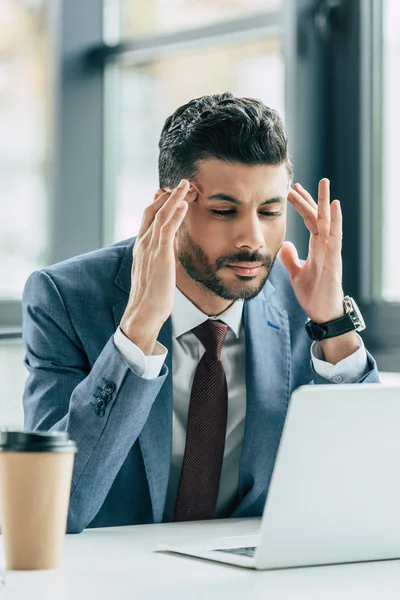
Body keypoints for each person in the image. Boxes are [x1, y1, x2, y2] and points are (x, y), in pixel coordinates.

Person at [22, 92, 379, 534]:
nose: (253, 239)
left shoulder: (304, 302)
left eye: (270, 211)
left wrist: (333, 326)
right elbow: (52, 508)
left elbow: (367, 493)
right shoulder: (65, 298)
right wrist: (137, 332)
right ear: (167, 209)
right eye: (224, 211)